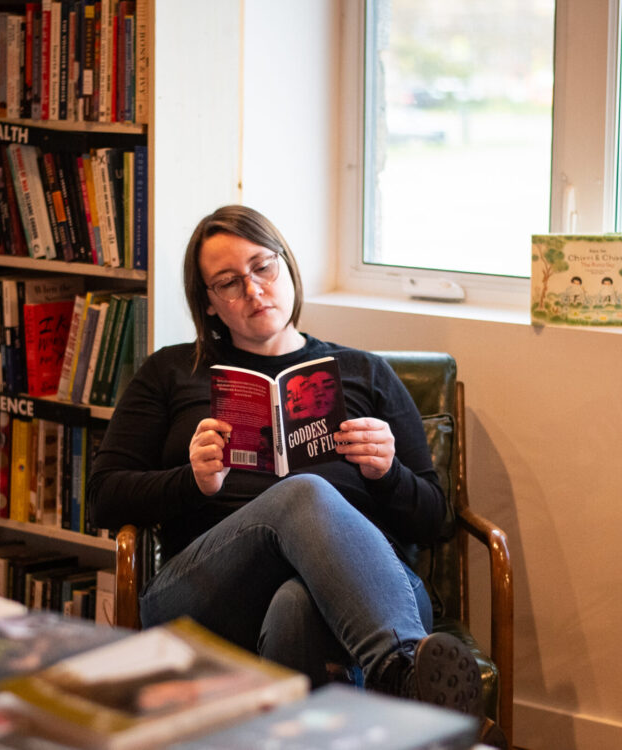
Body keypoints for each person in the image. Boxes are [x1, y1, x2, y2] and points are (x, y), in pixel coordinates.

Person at [88, 205, 484, 721]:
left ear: (286, 266)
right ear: (208, 303)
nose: (253, 291)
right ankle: (401, 673)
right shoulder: (170, 372)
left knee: (295, 605)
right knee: (304, 492)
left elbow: (435, 519)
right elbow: (103, 497)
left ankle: (391, 671)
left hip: (368, 590)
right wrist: (192, 482)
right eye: (228, 283)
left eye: (262, 267)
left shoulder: (365, 373)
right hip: (208, 590)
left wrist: (386, 474)